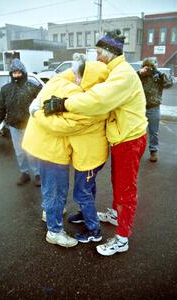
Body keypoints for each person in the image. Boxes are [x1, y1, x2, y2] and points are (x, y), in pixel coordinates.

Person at [43, 30, 148, 256]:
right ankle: (117, 215)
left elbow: (97, 100)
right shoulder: (115, 70)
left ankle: (122, 238)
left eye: (100, 52)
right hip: (123, 137)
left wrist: (64, 103)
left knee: (125, 188)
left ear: (110, 52)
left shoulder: (123, 75)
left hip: (129, 139)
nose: (98, 57)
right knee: (118, 182)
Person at [22, 57, 109, 248]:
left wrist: (35, 110)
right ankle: (54, 231)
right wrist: (37, 113)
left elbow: (41, 100)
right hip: (52, 148)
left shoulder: (57, 79)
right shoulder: (79, 96)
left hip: (41, 142)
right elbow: (63, 126)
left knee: (49, 187)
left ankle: (49, 213)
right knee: (56, 192)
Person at [0, 58, 42, 186]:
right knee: (20, 152)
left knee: (31, 151)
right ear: (11, 74)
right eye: (14, 73)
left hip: (30, 125)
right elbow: (1, 106)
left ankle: (38, 174)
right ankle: (24, 173)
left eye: (19, 72)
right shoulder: (5, 89)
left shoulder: (32, 86)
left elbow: (42, 102)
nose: (16, 75)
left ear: (23, 73)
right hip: (14, 125)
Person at [137, 58, 173, 162]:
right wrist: (140, 73)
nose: (149, 69)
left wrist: (161, 75)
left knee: (153, 132)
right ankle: (138, 151)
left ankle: (153, 151)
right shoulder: (139, 76)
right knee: (138, 132)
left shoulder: (158, 76)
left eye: (151, 67)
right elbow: (129, 80)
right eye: (146, 66)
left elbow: (169, 84)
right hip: (139, 108)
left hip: (154, 107)